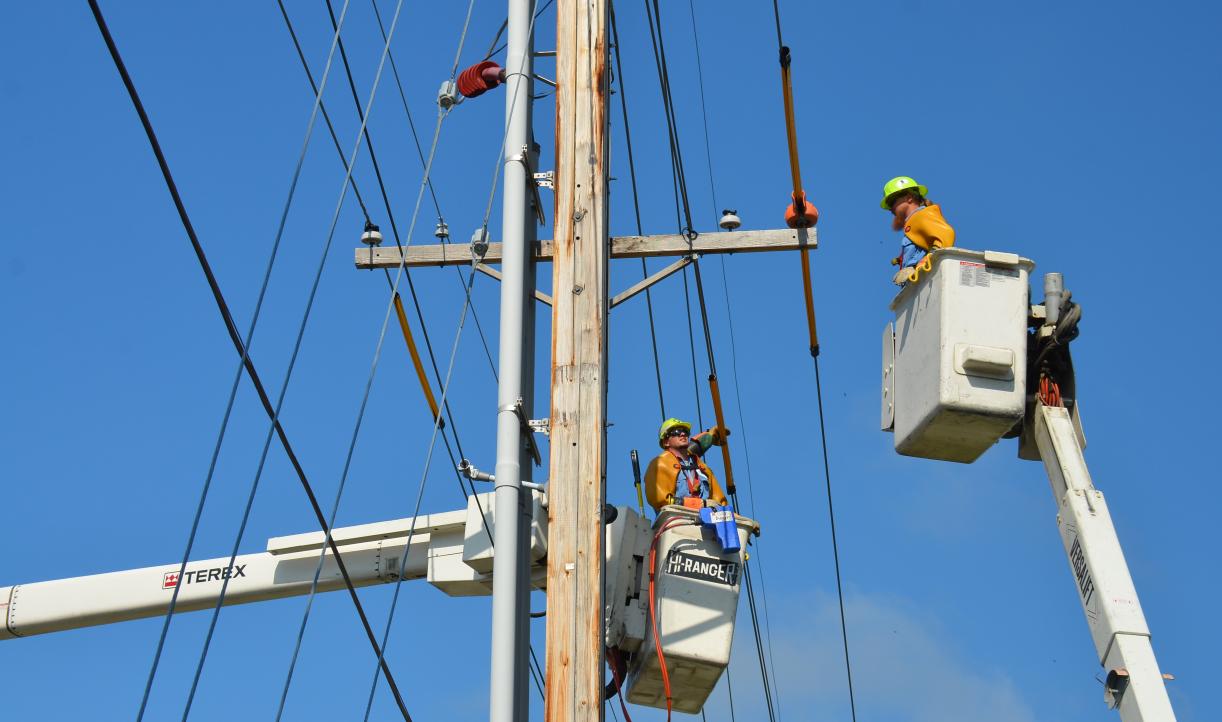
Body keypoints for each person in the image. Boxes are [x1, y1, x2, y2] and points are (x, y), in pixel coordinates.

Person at [881, 176, 956, 285]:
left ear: (909, 198)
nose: (890, 208)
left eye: (892, 202)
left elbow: (946, 235)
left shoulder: (922, 215)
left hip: (925, 280)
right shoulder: (913, 221)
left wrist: (924, 263)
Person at [644, 417, 730, 513]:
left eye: (685, 431)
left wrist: (709, 436)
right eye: (676, 432)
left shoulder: (703, 468)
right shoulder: (659, 464)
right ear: (666, 442)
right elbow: (661, 500)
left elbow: (720, 502)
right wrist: (699, 504)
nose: (683, 434)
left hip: (709, 520)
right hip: (679, 520)